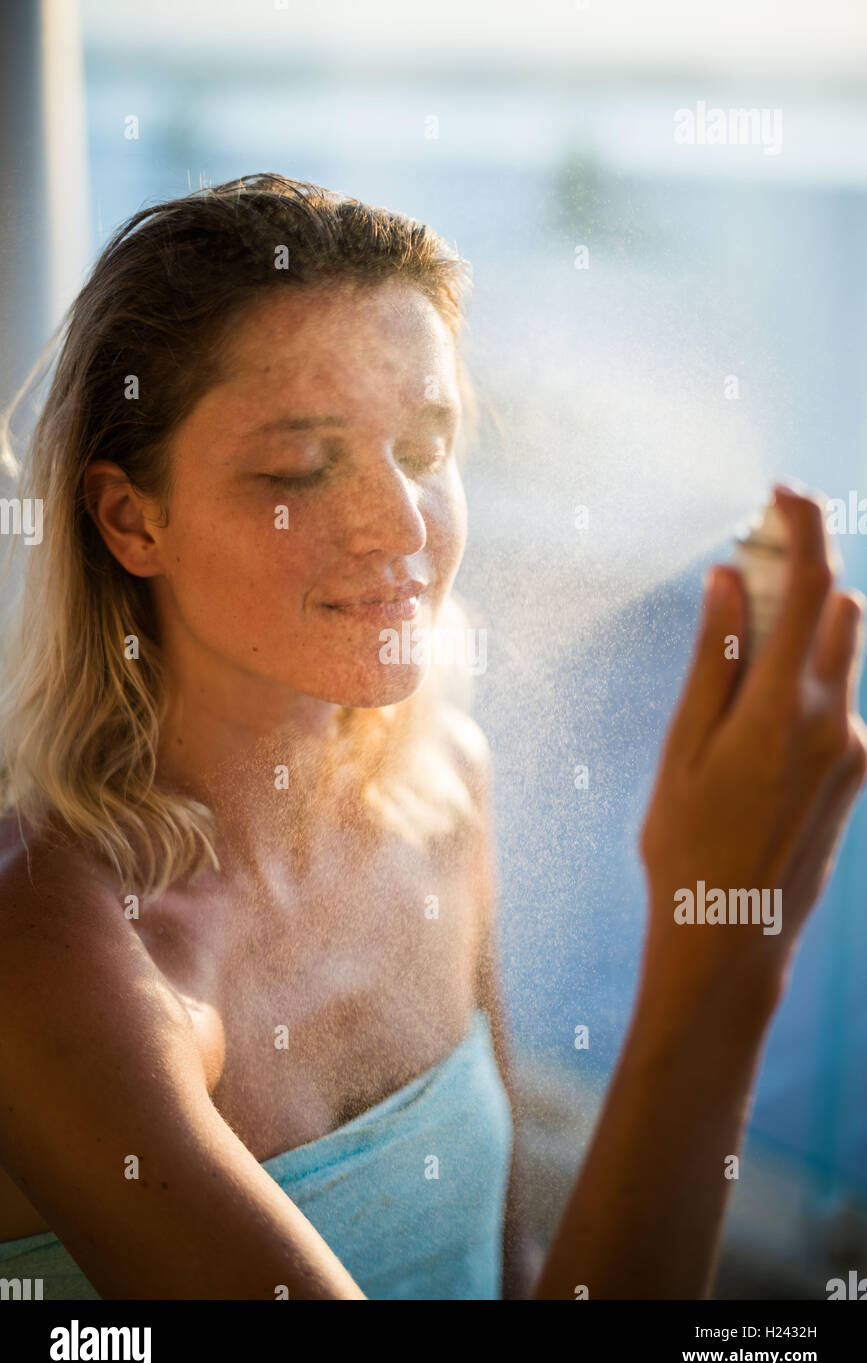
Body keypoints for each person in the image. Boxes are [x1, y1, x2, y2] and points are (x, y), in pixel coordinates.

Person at [0, 174, 863, 1300]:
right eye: (302, 469)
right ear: (131, 517)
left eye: (427, 444)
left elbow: (512, 1276)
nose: (403, 524)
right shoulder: (62, 961)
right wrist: (724, 964)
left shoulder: (443, 790)